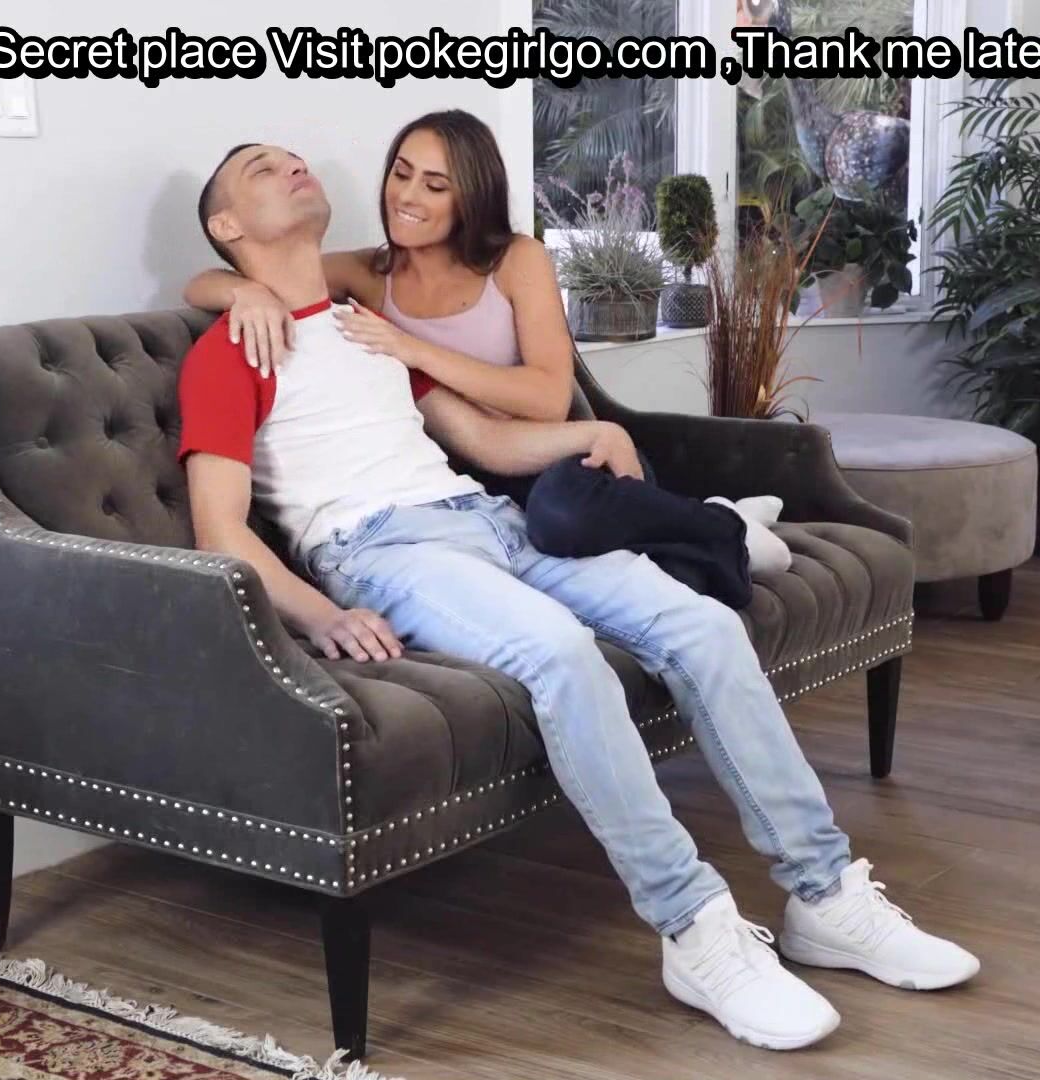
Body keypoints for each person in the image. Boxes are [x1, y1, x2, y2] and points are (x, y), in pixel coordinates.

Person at [180, 141, 980, 1052]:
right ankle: (695, 929)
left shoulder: (364, 324)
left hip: (487, 519)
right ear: (228, 224)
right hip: (384, 550)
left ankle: (825, 894)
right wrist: (321, 614)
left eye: (292, 157)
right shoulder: (228, 352)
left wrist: (587, 435)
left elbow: (482, 439)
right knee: (561, 657)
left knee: (702, 626)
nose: (291, 164)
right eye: (260, 168)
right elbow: (220, 529)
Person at [183, 109, 793, 581]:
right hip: (458, 481)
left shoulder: (516, 261)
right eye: (401, 174)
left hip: (552, 462)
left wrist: (414, 349)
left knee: (564, 520)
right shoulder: (369, 272)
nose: (407, 197)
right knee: (673, 581)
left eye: (435, 186)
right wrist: (242, 292)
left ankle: (720, 523)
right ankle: (717, 526)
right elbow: (223, 272)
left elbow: (549, 398)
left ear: (469, 199)